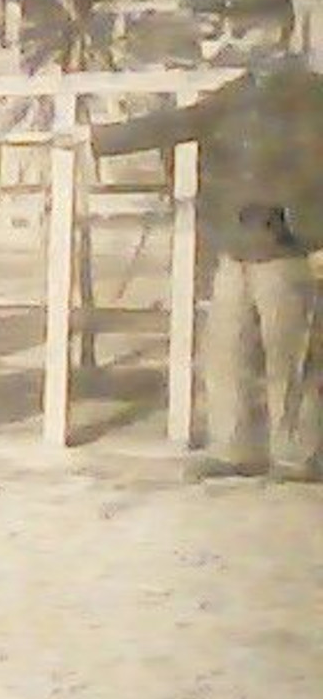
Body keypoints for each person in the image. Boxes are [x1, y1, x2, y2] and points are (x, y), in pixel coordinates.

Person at [89, 48, 323, 482]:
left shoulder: (312, 94)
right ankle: (232, 447)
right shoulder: (237, 93)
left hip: (290, 242)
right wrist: (95, 139)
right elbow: (178, 124)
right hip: (236, 241)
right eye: (234, 29)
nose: (238, 39)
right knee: (224, 347)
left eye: (250, 28)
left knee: (290, 354)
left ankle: (298, 455)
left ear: (281, 30)